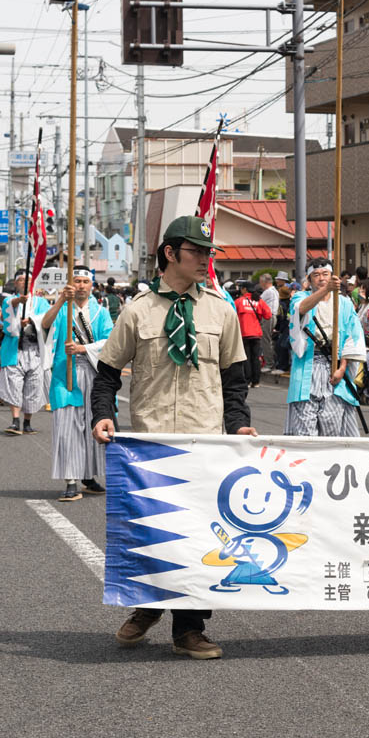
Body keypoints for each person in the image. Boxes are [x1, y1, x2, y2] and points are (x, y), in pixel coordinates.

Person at [91, 214, 256, 660]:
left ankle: (189, 628)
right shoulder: (138, 310)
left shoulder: (220, 310)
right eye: (197, 251)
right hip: (150, 441)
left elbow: (235, 379)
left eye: (208, 252)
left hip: (205, 440)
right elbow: (107, 374)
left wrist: (239, 424)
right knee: (151, 531)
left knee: (203, 534)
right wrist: (103, 415)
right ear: (170, 253)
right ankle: (147, 607)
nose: (205, 259)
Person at [41, 267, 114, 502]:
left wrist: (83, 348)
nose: (81, 285)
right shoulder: (63, 309)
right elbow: (44, 324)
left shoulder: (101, 313)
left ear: (91, 285)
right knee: (68, 427)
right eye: (77, 281)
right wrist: (62, 298)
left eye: (85, 281)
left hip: (93, 374)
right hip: (66, 375)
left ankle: (88, 475)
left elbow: (110, 342)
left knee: (92, 425)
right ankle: (71, 480)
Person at [286, 258, 367, 437]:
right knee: (304, 427)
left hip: (334, 366)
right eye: (316, 275)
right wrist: (326, 289)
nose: (321, 278)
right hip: (308, 363)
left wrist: (342, 367)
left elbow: (351, 339)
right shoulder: (301, 297)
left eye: (325, 274)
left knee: (332, 426)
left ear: (332, 276)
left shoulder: (344, 303)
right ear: (309, 279)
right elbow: (300, 309)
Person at [0, 271, 50, 436]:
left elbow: (48, 319)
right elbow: (9, 309)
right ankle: (15, 421)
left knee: (33, 386)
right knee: (14, 384)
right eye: (21, 280)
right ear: (16, 284)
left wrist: (32, 322)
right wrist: (18, 303)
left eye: (27, 280)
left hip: (35, 350)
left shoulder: (41, 302)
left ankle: (27, 422)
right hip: (15, 350)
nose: (24, 282)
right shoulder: (9, 300)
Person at [235, 281, 273, 388]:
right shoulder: (259, 301)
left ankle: (247, 380)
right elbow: (268, 315)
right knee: (255, 358)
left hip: (244, 334)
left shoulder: (239, 301)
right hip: (256, 334)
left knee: (246, 357)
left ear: (245, 289)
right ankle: (256, 381)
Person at [258, 273, 279, 369]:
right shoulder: (275, 291)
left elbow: (258, 302)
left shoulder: (268, 292)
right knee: (268, 340)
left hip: (268, 317)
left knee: (265, 340)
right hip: (272, 317)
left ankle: (269, 363)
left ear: (264, 282)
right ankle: (271, 362)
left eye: (260, 282)